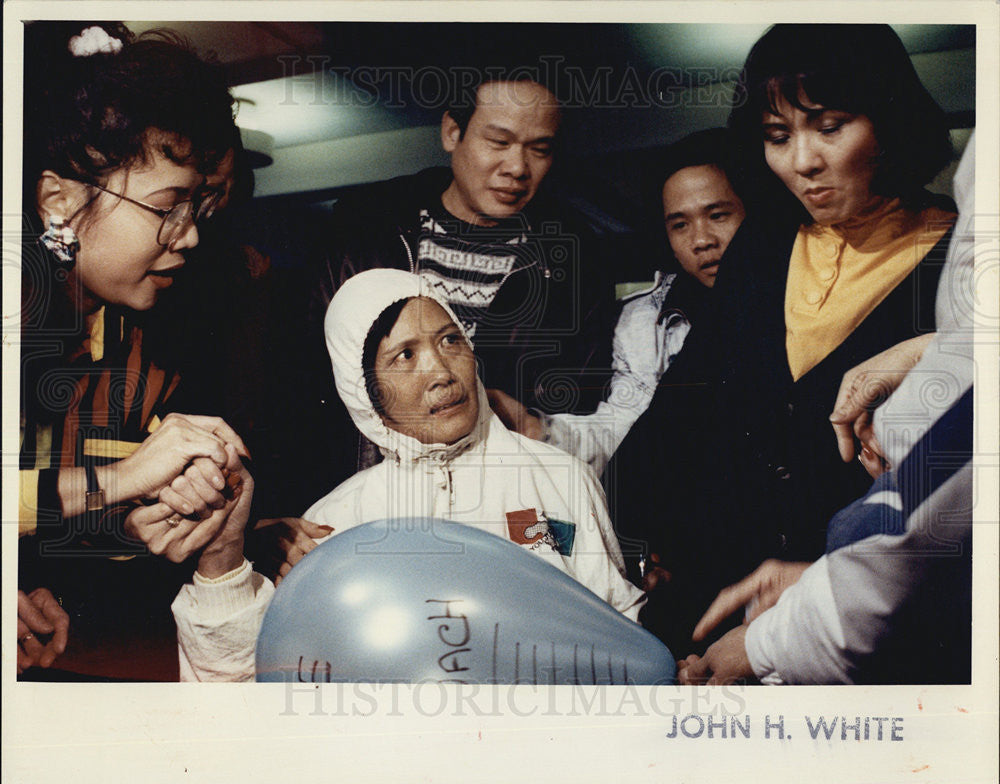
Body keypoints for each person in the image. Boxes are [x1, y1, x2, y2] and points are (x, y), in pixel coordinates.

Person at [171, 269, 644, 681]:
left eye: (450, 340)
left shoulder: (560, 477)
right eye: (404, 356)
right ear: (365, 391)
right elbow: (260, 678)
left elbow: (621, 631)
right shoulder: (338, 520)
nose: (441, 372)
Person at [677, 132, 975, 685]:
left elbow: (929, 516)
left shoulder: (954, 241)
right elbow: (684, 411)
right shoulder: (764, 243)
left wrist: (778, 635)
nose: (803, 160)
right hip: (788, 589)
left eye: (831, 125)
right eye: (776, 135)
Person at [262, 74, 617, 521]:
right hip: (365, 513)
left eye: (539, 149)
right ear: (453, 131)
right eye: (498, 141)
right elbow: (298, 388)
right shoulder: (363, 232)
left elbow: (583, 407)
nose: (517, 168)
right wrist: (280, 516)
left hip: (510, 514)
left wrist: (533, 425)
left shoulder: (575, 266)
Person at [17, 22, 250, 679]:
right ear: (58, 202)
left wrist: (179, 502)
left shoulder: (139, 342)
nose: (190, 238)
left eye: (197, 210)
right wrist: (125, 479)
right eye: (166, 208)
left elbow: (59, 514)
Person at [489, 128, 747, 476]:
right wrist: (536, 429)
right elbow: (619, 431)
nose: (701, 240)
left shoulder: (806, 294)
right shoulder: (644, 321)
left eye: (718, 216)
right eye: (680, 225)